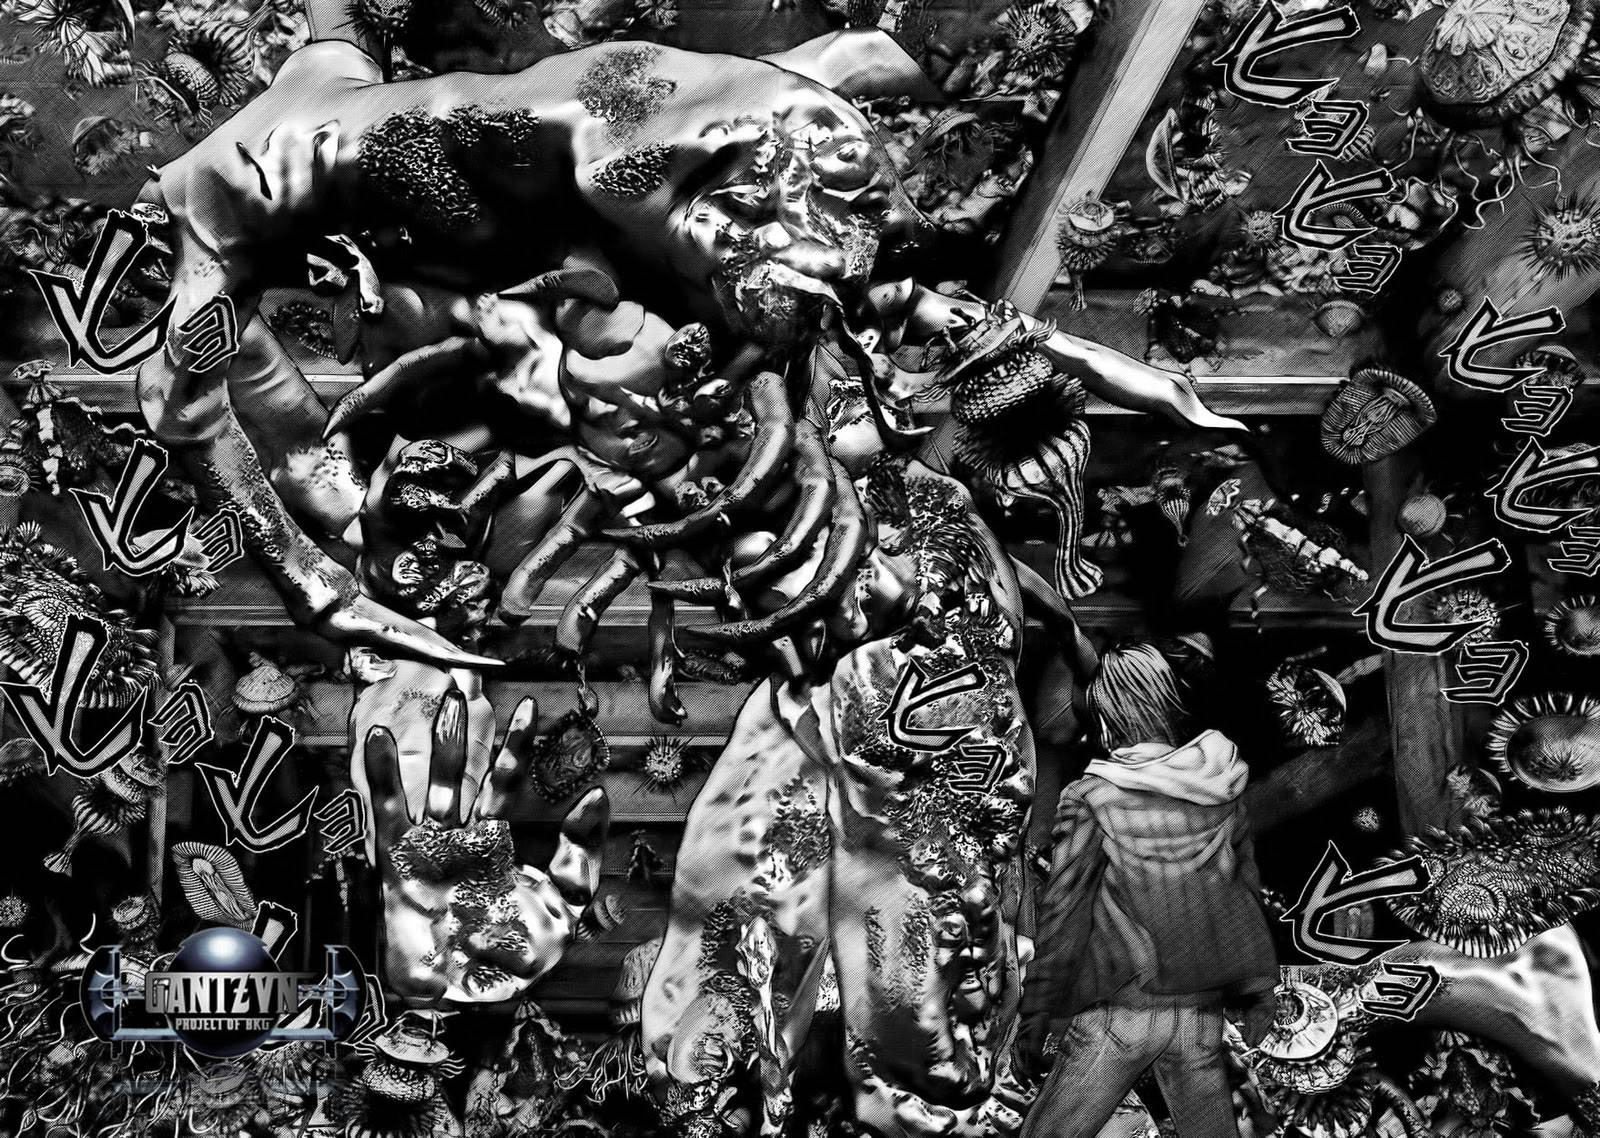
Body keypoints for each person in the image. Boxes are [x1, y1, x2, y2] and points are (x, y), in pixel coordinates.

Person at [1019, 642, 1279, 1138]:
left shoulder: (1092, 797)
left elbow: (1064, 914)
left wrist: (1037, 1013)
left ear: (1106, 714)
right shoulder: (1220, 784)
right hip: (1199, 1016)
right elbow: (1242, 897)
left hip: (1121, 1014)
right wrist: (1258, 991)